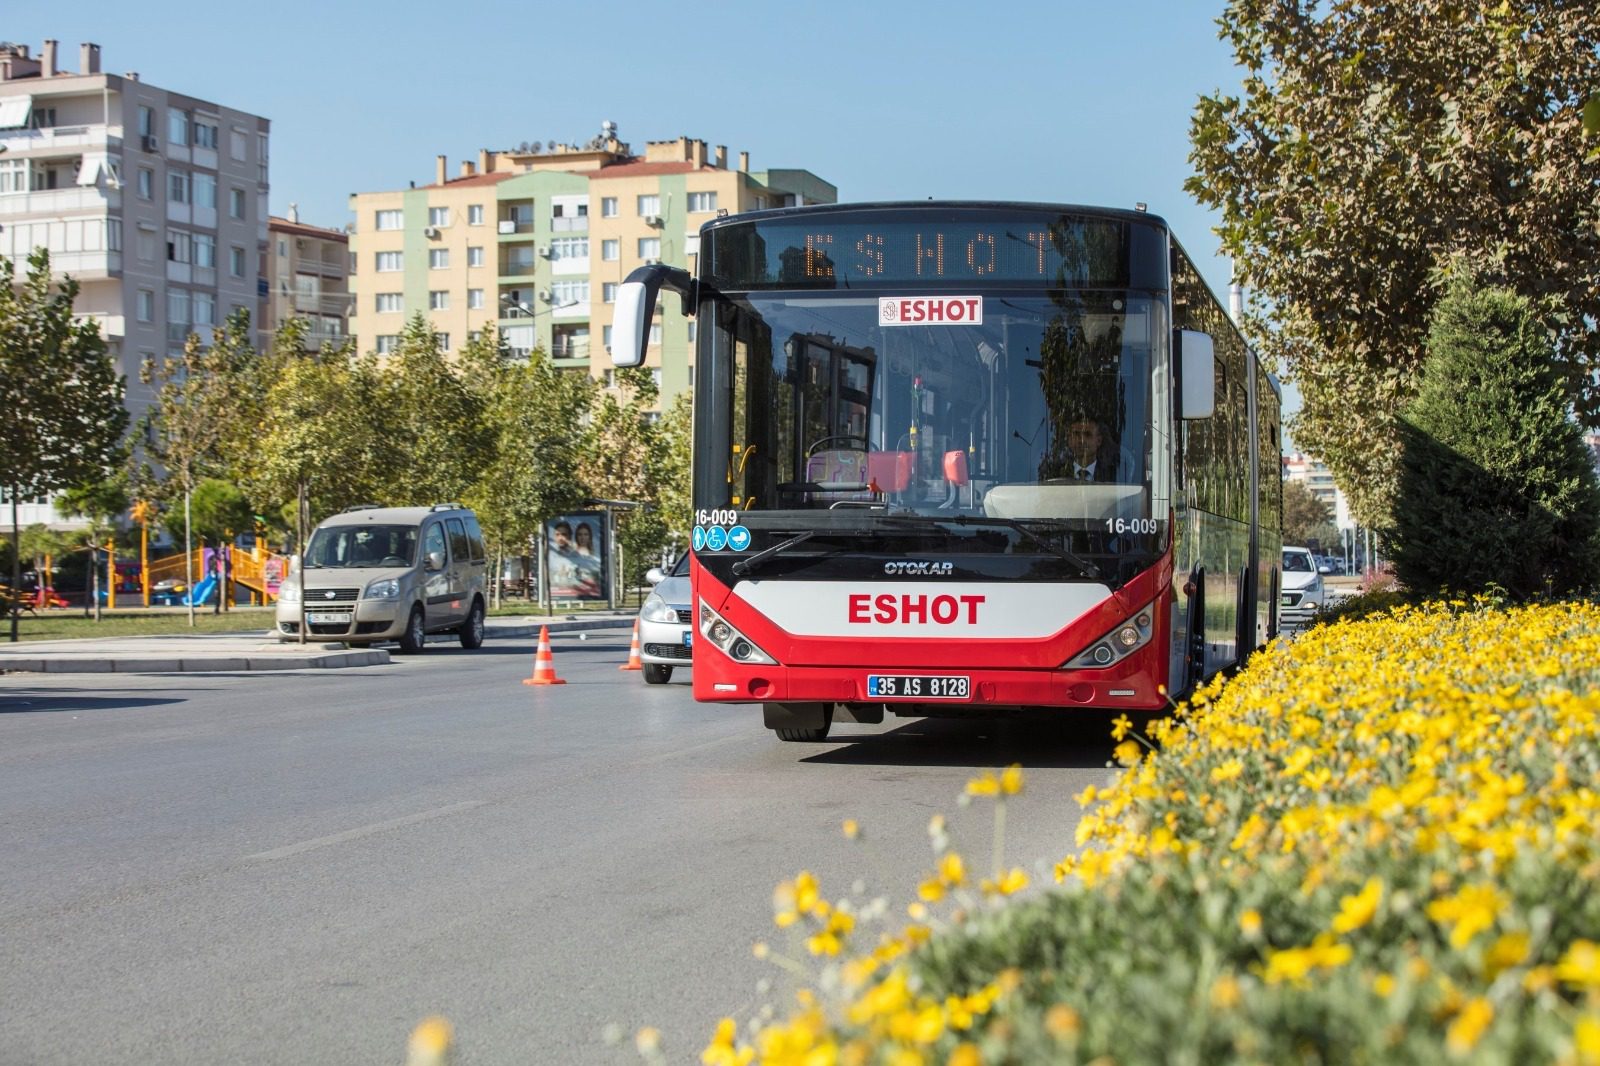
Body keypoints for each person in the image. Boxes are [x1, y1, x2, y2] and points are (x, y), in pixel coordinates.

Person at [1063, 416, 1118, 483]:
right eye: (1076, 434)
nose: (1081, 440)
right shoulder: (1056, 472)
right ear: (1069, 440)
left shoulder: (1114, 474)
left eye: (1087, 434)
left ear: (1099, 441)